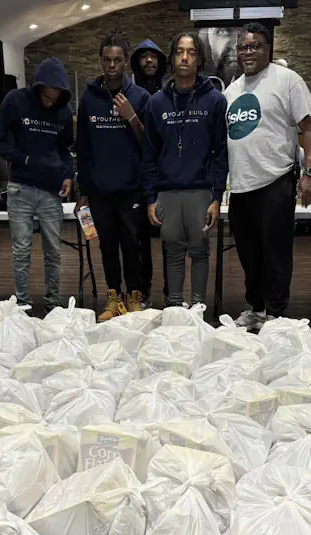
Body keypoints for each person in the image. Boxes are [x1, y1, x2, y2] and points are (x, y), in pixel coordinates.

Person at [224, 22, 311, 330]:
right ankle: (255, 307)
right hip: (240, 187)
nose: (248, 52)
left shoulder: (287, 80)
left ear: (268, 49)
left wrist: (310, 173)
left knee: (276, 253)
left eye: (255, 46)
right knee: (249, 254)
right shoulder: (232, 91)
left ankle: (276, 314)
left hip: (276, 181)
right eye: (243, 47)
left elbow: (310, 128)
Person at [142, 32, 228, 308]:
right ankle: (176, 307)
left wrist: (217, 197)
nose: (185, 57)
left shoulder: (214, 101)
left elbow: (220, 153)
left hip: (200, 190)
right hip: (167, 192)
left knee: (200, 251)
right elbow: (149, 155)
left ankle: (199, 308)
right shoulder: (156, 103)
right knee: (173, 252)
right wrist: (150, 197)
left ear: (199, 59)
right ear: (172, 58)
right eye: (180, 51)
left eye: (191, 52)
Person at [76, 29, 150, 321]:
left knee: (133, 245)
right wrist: (83, 191)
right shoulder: (89, 99)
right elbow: (82, 146)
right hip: (99, 189)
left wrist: (131, 116)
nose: (112, 66)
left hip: (131, 188)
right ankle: (113, 297)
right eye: (107, 60)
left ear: (125, 63)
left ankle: (134, 295)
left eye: (117, 60)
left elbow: (149, 144)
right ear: (101, 61)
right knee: (107, 245)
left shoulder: (140, 97)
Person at [0, 57, 74, 313]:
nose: (49, 102)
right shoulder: (15, 101)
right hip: (21, 188)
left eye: (54, 98)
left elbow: (65, 149)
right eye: (46, 97)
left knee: (54, 252)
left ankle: (52, 303)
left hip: (51, 190)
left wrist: (69, 175)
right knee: (21, 250)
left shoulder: (64, 111)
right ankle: (23, 304)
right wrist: (24, 159)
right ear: (38, 87)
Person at [131, 39, 168, 304]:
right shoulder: (129, 94)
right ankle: (142, 291)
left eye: (153, 56)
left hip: (164, 176)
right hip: (135, 177)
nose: (149, 61)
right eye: (143, 57)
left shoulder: (169, 95)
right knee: (140, 240)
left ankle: (171, 293)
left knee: (168, 239)